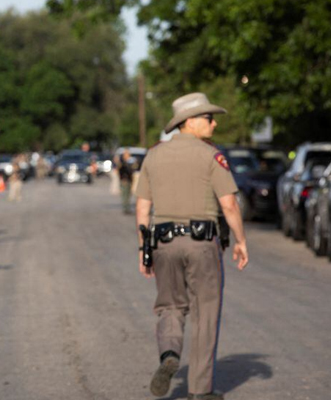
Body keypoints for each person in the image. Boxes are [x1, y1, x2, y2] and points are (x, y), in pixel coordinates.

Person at [135, 92, 249, 400]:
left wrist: (143, 250)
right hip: (201, 243)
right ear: (191, 122)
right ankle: (200, 391)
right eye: (208, 118)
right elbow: (229, 205)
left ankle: (169, 353)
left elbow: (143, 208)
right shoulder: (211, 155)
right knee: (205, 312)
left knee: (170, 306)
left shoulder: (154, 155)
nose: (213, 123)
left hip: (162, 243)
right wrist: (240, 241)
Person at [116, 149, 134, 214]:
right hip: (125, 180)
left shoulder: (128, 162)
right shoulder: (122, 162)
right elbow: (121, 172)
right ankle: (125, 208)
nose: (129, 155)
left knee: (128, 195)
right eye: (127, 154)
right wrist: (123, 179)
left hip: (129, 180)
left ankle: (127, 207)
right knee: (125, 195)